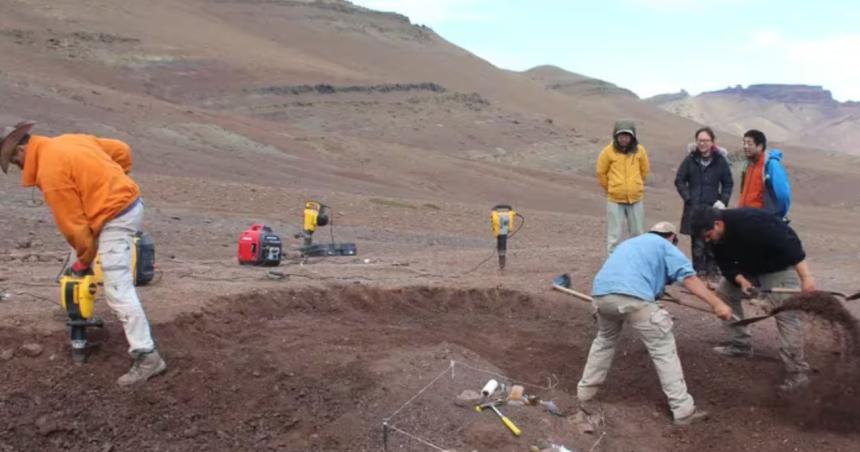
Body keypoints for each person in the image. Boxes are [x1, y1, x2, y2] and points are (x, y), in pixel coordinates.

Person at [0, 121, 166, 386]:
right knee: (79, 253)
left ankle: (147, 355)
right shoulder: (69, 140)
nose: (19, 167)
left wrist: (85, 260)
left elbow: (74, 227)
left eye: (14, 161)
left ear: (20, 151)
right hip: (130, 204)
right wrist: (109, 182)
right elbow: (121, 150)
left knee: (117, 288)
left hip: (115, 217)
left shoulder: (50, 172)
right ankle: (78, 314)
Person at [577, 221, 733, 425]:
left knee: (604, 341)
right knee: (663, 348)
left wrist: (655, 289)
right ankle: (683, 410)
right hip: (633, 297)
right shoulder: (665, 246)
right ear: (671, 238)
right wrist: (717, 304)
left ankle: (584, 395)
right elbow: (689, 278)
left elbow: (637, 273)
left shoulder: (631, 244)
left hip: (601, 295)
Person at [691, 207, 813, 391]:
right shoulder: (716, 237)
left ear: (717, 224)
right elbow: (725, 264)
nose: (708, 240)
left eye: (709, 235)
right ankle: (740, 345)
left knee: (786, 314)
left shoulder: (751, 222)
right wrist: (741, 281)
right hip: (749, 268)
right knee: (725, 293)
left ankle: (798, 371)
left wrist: (806, 278)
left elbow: (790, 245)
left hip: (777, 267)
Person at [674, 127, 733, 278]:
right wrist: (688, 197)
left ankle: (712, 274)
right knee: (697, 243)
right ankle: (698, 274)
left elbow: (728, 183)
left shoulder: (720, 161)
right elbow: (679, 180)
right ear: (696, 141)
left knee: (714, 241)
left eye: (706, 140)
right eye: (700, 140)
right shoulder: (690, 160)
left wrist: (723, 201)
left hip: (713, 208)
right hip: (694, 209)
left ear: (712, 142)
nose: (703, 144)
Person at [596, 120, 650, 253]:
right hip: (615, 199)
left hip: (635, 198)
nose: (624, 139)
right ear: (615, 136)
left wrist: (636, 185)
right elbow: (601, 173)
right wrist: (611, 188)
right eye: (621, 136)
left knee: (638, 233)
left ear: (633, 136)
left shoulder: (640, 151)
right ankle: (613, 263)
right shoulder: (608, 152)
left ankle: (638, 260)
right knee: (614, 235)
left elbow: (644, 170)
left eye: (627, 136)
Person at [737, 129, 791, 219]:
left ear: (760, 146)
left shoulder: (771, 165)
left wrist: (776, 215)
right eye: (744, 143)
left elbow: (783, 195)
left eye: (749, 144)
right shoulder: (748, 166)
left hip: (761, 220)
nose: (745, 147)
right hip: (745, 218)